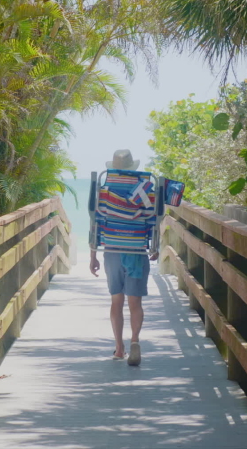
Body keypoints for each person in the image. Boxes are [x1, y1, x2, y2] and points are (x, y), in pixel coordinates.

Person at [89, 149, 158, 366]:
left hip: (112, 250)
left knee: (116, 301)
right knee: (134, 302)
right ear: (132, 167)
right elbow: (153, 221)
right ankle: (135, 340)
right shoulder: (146, 189)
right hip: (136, 250)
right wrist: (155, 246)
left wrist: (93, 255)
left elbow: (96, 223)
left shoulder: (105, 191)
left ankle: (119, 348)